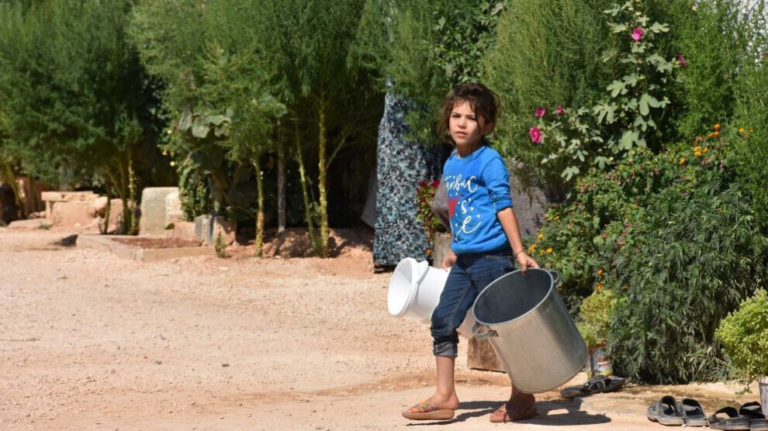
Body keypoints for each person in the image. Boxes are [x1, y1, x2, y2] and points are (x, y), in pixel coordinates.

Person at [402, 83, 540, 423]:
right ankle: (446, 396)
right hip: (465, 262)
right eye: (456, 116)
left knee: (502, 329)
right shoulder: (452, 163)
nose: (461, 123)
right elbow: (458, 209)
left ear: (487, 126)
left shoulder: (489, 161)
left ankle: (522, 395)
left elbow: (504, 207)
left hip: (494, 259)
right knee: (442, 320)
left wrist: (519, 252)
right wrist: (455, 247)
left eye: (471, 118)